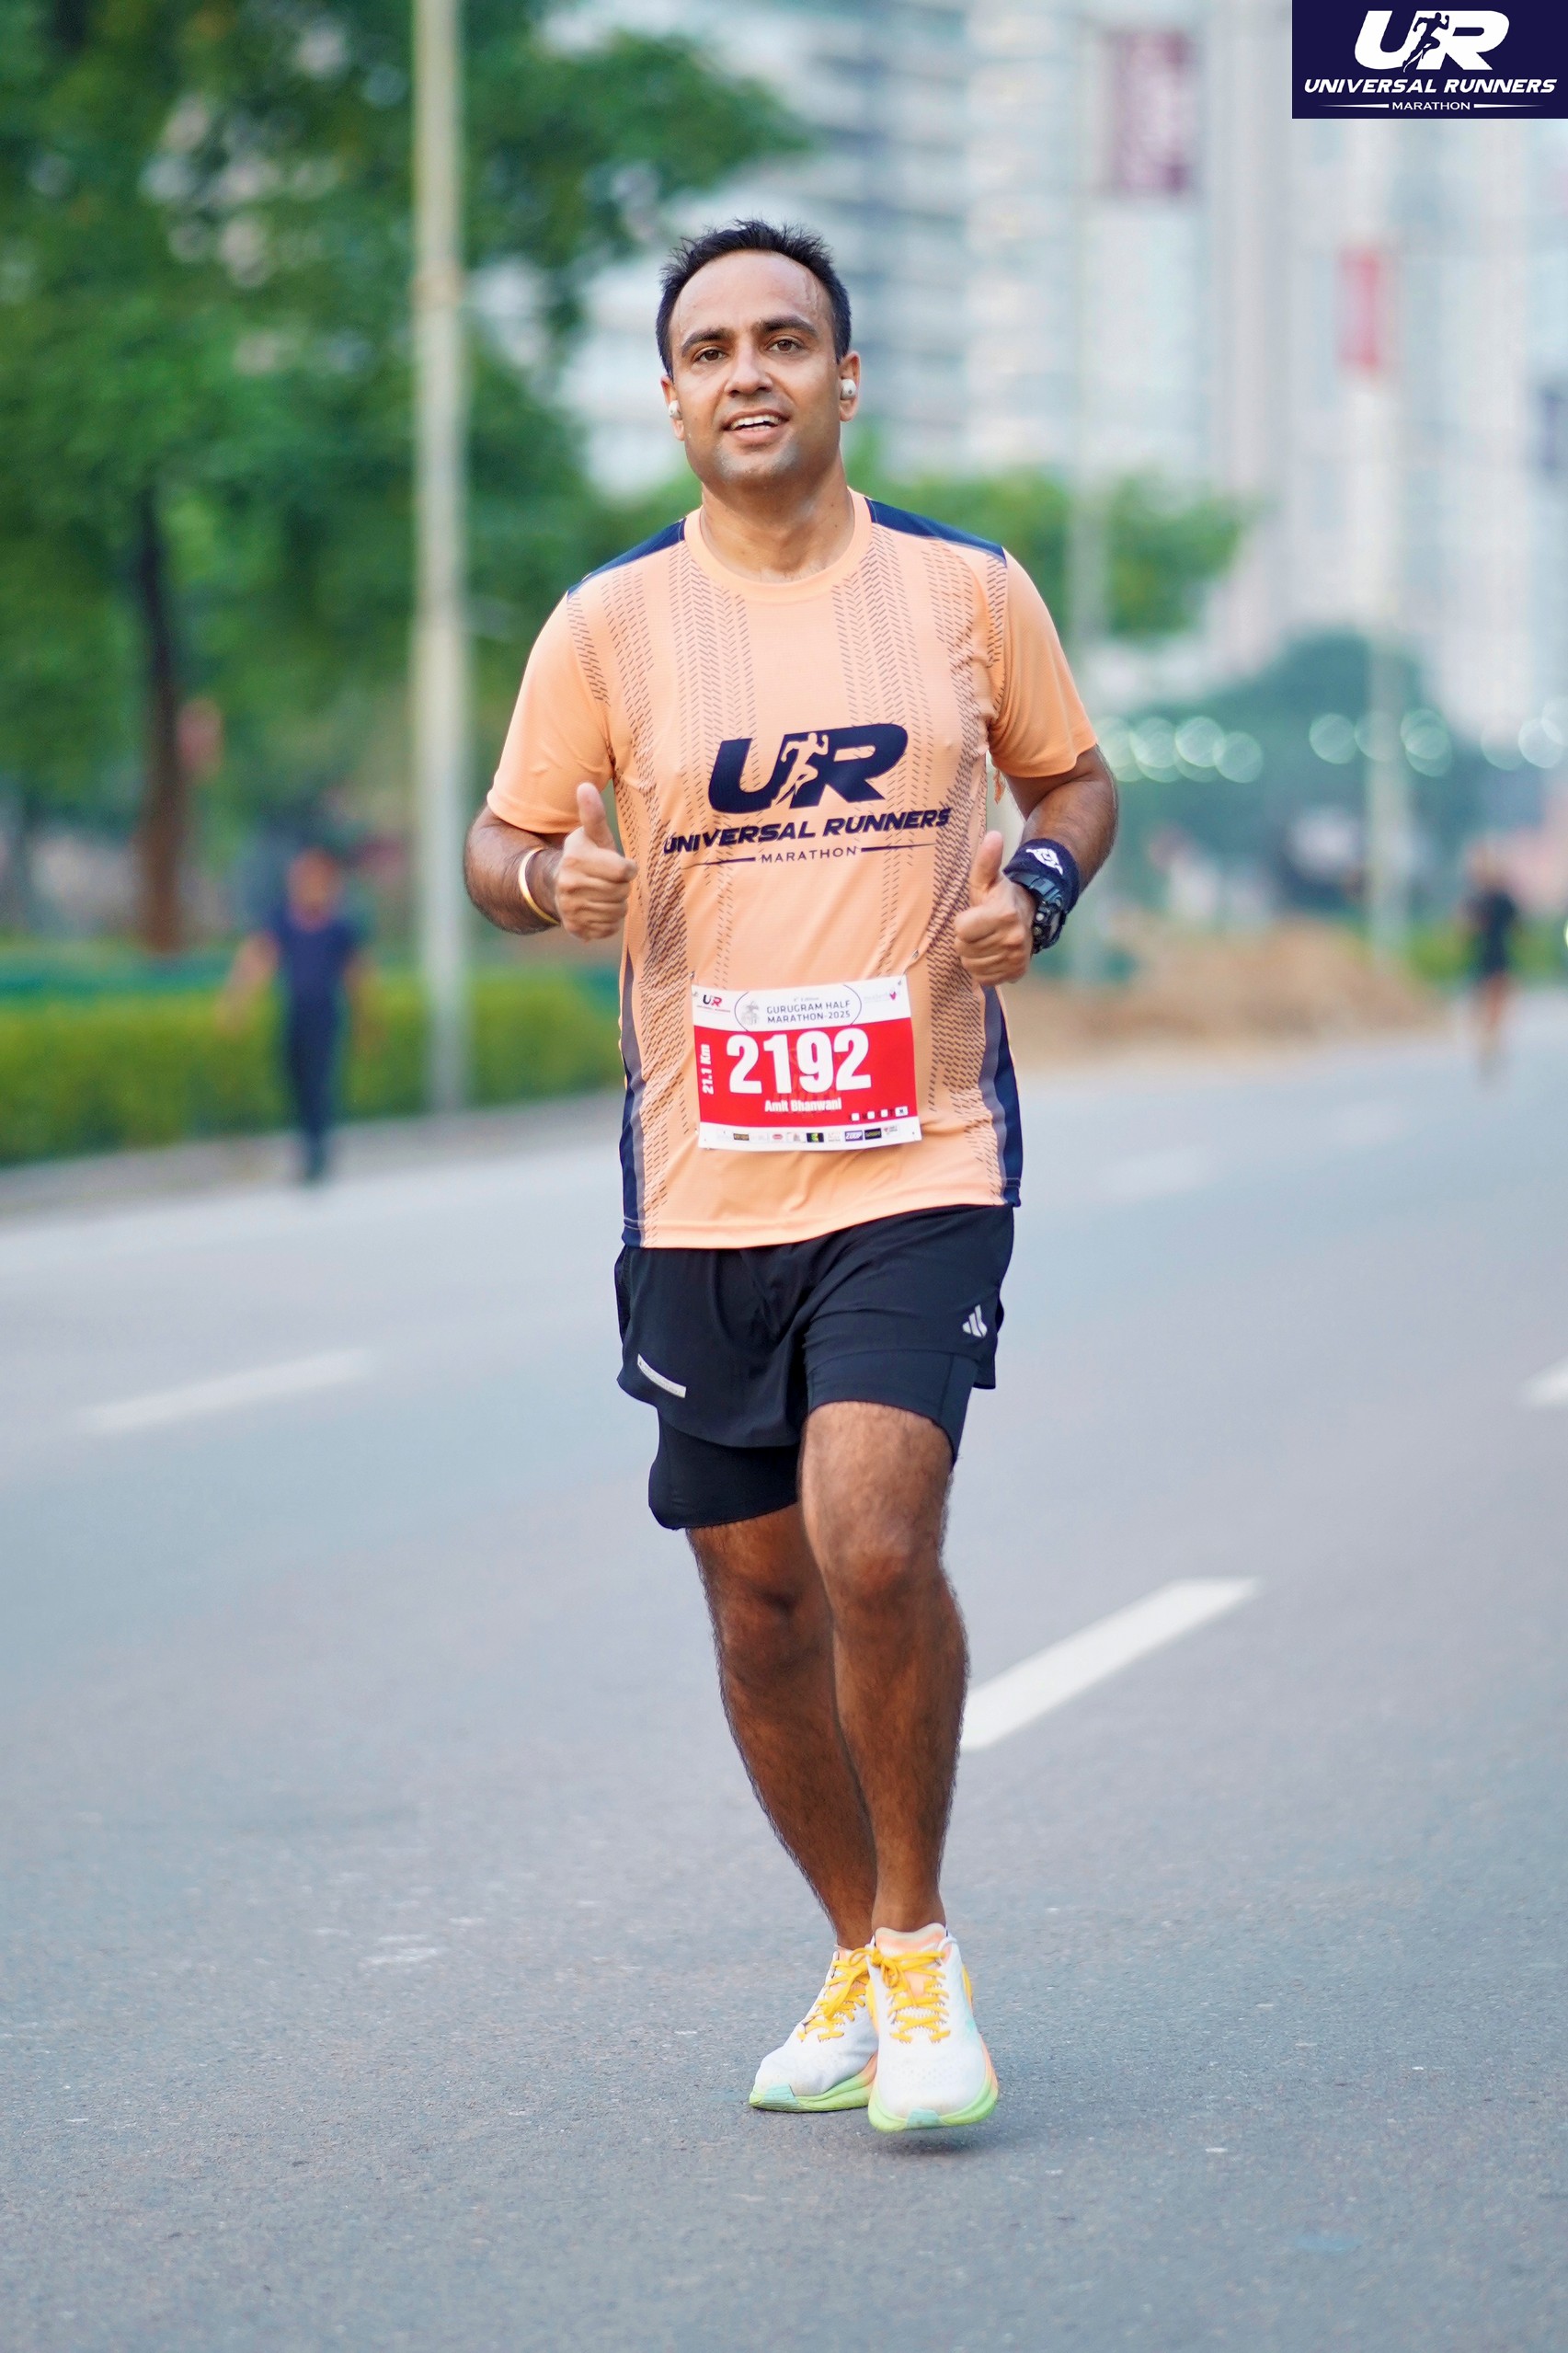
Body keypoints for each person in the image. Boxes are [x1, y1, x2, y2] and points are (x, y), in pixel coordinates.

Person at [465, 220, 1117, 2134]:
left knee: (872, 1540)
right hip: (702, 1177)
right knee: (758, 1603)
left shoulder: (965, 590)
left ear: (847, 376)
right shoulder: (607, 626)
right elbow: (499, 842)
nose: (748, 371)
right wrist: (548, 879)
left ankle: (919, 1951)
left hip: (923, 1147)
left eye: (784, 339)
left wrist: (1041, 885)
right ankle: (851, 1944)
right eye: (710, 349)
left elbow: (1074, 780)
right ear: (672, 399)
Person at [223, 845, 369, 1182]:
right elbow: (259, 959)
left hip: (325, 1018)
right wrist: (238, 1002)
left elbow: (356, 975)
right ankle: (307, 1144)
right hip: (295, 1016)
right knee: (295, 1080)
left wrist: (364, 1019)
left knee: (320, 1083)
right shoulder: (283, 922)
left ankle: (317, 1151)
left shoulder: (339, 928)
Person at [1463, 844, 1520, 1080]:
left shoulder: (1498, 900)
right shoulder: (1481, 900)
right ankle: (1489, 1045)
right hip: (1485, 959)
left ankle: (1490, 1045)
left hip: (1494, 958)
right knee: (1486, 1009)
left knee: (1494, 1008)